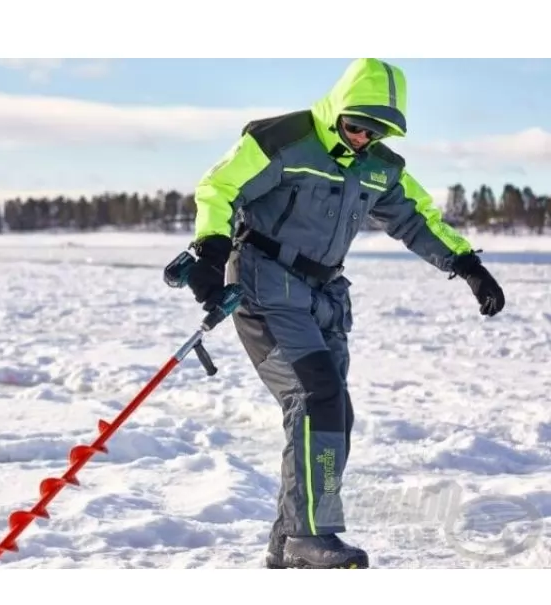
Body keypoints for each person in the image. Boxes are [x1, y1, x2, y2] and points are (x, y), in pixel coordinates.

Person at [185, 58, 506, 569]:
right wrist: (209, 249)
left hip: (326, 294)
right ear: (338, 108)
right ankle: (309, 536)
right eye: (357, 125)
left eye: (376, 131)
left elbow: (418, 218)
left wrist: (466, 264)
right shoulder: (283, 140)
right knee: (315, 398)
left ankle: (288, 539)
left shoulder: (380, 165)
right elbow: (219, 188)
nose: (363, 138)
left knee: (332, 411)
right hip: (265, 285)